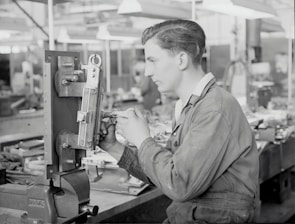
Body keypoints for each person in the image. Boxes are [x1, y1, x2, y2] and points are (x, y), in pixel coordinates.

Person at [99, 19, 260, 223]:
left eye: (153, 60)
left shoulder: (214, 109)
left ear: (181, 60)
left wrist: (143, 140)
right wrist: (114, 147)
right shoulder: (190, 106)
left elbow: (178, 184)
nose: (148, 72)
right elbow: (165, 173)